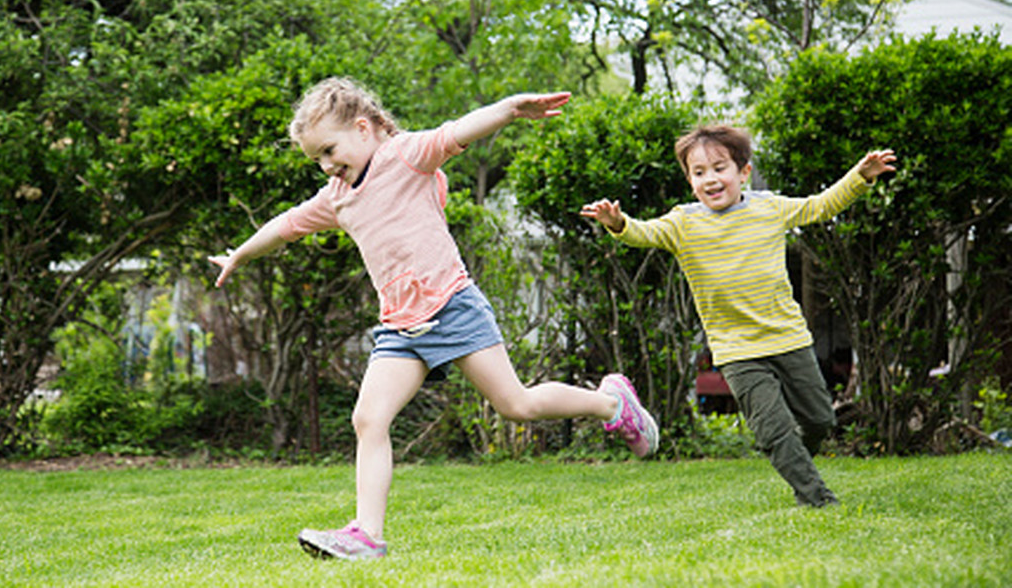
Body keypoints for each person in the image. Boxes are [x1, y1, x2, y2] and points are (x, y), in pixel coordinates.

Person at [209, 77, 659, 560]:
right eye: (316, 158)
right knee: (369, 418)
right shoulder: (337, 195)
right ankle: (366, 535)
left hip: (451, 306)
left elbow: (457, 131)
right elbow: (288, 224)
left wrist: (508, 108)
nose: (325, 165)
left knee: (517, 405)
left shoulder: (405, 156)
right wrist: (241, 254)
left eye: (329, 150)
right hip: (400, 327)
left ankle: (611, 405)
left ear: (363, 128)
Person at [581, 124, 896, 508]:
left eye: (719, 168)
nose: (710, 179)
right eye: (699, 173)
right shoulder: (683, 223)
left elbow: (820, 205)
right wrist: (617, 223)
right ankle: (816, 498)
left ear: (743, 172)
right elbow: (643, 233)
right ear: (689, 180)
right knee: (773, 429)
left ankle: (792, 458)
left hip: (790, 339)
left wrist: (859, 176)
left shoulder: (768, 208)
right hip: (737, 351)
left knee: (819, 421)